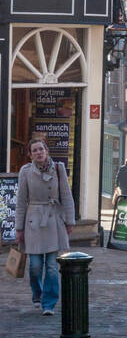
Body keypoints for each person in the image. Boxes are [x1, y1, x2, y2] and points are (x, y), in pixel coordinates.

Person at [14, 134, 75, 316]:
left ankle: (49, 303)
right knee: (34, 266)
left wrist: (70, 221)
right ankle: (37, 294)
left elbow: (66, 195)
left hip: (53, 219)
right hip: (33, 220)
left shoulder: (58, 168)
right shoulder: (25, 172)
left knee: (51, 266)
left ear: (46, 151)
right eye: (35, 150)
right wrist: (19, 228)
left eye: (41, 149)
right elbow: (20, 201)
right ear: (30, 155)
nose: (39, 152)